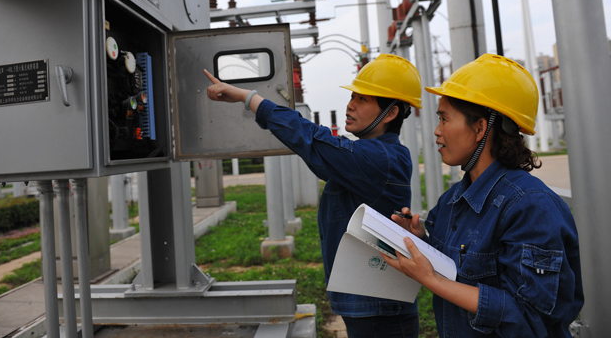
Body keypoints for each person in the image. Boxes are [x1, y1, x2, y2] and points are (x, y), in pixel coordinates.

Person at [204, 54, 423, 337]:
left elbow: (312, 140)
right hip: (371, 304)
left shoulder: (382, 159)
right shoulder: (369, 157)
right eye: (352, 96)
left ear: (390, 113)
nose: (350, 105)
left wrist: (249, 98)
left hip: (379, 310)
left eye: (362, 99)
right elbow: (318, 152)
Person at [381, 54, 583, 337]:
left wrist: (430, 279)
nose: (437, 132)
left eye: (444, 119)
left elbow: (529, 318)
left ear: (479, 129)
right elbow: (456, 270)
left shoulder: (531, 207)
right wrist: (420, 243)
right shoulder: (451, 202)